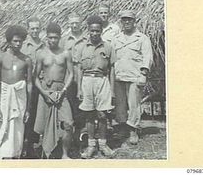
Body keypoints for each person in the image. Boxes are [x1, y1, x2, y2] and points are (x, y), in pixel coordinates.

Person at [111, 10, 153, 145]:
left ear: (134, 21)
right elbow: (111, 58)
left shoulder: (142, 38)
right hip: (119, 76)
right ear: (121, 22)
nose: (127, 22)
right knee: (120, 105)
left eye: (129, 19)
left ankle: (133, 129)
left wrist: (143, 74)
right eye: (124, 19)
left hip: (135, 76)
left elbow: (147, 57)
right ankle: (123, 128)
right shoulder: (116, 39)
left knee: (134, 104)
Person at [77, 15, 115, 159]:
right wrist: (80, 89)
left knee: (102, 114)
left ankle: (103, 144)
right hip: (87, 81)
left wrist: (111, 90)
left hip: (102, 81)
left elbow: (112, 70)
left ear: (101, 31)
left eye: (97, 31)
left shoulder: (108, 47)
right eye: (92, 31)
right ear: (88, 30)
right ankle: (91, 145)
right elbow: (79, 70)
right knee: (89, 114)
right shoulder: (82, 47)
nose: (94, 34)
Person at [34, 22, 74, 159]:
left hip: (61, 92)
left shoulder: (65, 54)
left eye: (55, 38)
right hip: (46, 91)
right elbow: (35, 78)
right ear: (46, 37)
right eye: (50, 37)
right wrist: (44, 93)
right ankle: (46, 154)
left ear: (60, 37)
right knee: (44, 123)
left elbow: (71, 74)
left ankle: (64, 154)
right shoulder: (41, 54)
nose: (52, 40)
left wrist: (63, 90)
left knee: (68, 123)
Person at [0, 25, 33, 159]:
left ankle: (16, 154)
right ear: (9, 41)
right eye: (15, 41)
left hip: (20, 96)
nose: (18, 44)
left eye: (20, 41)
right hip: (5, 95)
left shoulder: (26, 60)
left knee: (18, 126)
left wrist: (28, 108)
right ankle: (4, 156)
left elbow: (29, 83)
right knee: (4, 124)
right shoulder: (0, 58)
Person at [59, 12, 87, 146]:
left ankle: (81, 133)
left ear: (81, 23)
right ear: (68, 24)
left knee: (81, 102)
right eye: (72, 23)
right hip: (68, 73)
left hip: (82, 72)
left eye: (77, 23)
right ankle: (68, 132)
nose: (75, 25)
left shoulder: (86, 39)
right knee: (69, 101)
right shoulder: (64, 40)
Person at [21, 17, 45, 158]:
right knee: (26, 113)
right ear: (28, 29)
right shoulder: (23, 46)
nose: (35, 31)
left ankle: (33, 144)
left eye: (37, 28)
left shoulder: (45, 45)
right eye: (32, 28)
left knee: (36, 114)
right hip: (26, 84)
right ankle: (24, 144)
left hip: (40, 85)